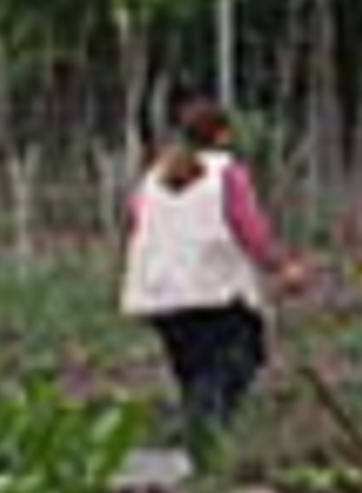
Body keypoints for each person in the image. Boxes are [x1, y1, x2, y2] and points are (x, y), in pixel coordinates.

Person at [121, 98, 307, 456]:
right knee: (239, 361)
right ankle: (202, 451)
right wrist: (281, 266)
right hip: (213, 293)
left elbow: (137, 224)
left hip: (162, 297)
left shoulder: (154, 176)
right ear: (222, 135)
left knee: (194, 377)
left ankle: (199, 451)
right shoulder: (226, 174)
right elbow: (248, 228)